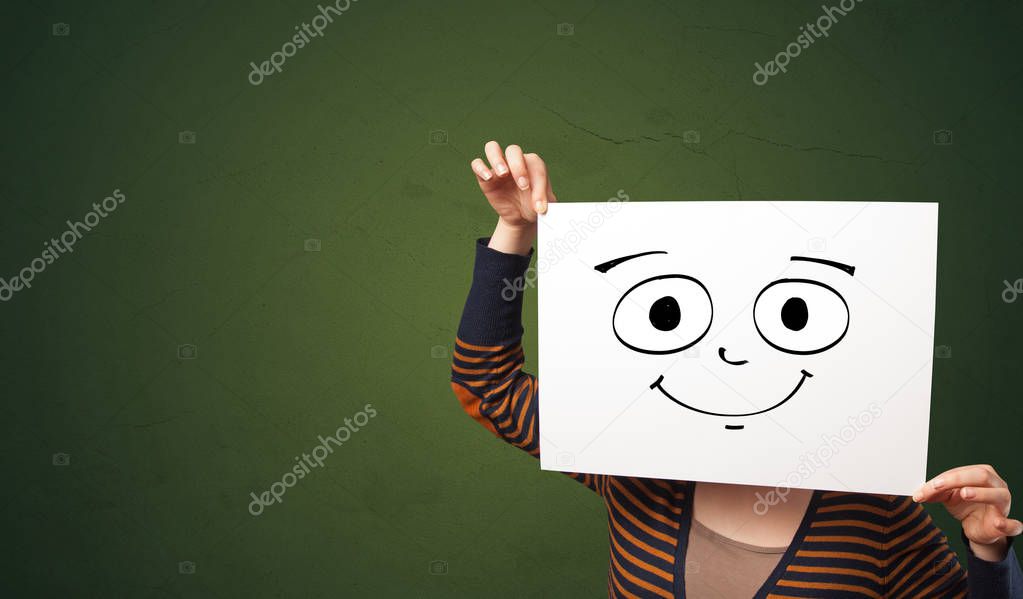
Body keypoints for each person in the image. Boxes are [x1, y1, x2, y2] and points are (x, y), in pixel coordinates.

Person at [450, 141, 1023, 598]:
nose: (733, 352)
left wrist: (988, 553)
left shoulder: (878, 511)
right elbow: (487, 386)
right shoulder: (630, 454)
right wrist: (516, 230)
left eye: (791, 317)